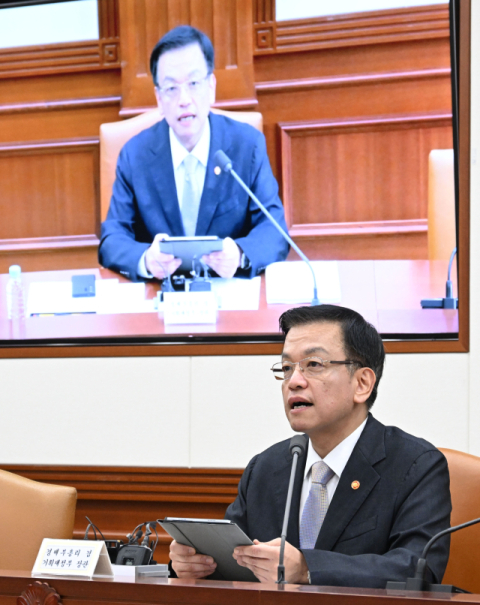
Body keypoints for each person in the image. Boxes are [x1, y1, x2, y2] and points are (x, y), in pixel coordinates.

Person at [169, 304, 451, 587]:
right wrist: (195, 563)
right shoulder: (265, 468)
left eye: (313, 365)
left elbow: (416, 570)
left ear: (362, 383)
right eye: (287, 367)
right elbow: (235, 560)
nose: (294, 381)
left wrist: (308, 569)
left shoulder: (415, 465)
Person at [98, 25, 289, 282]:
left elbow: (275, 231)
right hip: (160, 299)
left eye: (194, 83)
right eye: (171, 88)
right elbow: (112, 239)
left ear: (211, 87)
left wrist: (241, 253)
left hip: (230, 297)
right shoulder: (135, 156)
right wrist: (145, 259)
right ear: (158, 98)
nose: (184, 99)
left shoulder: (247, 145)